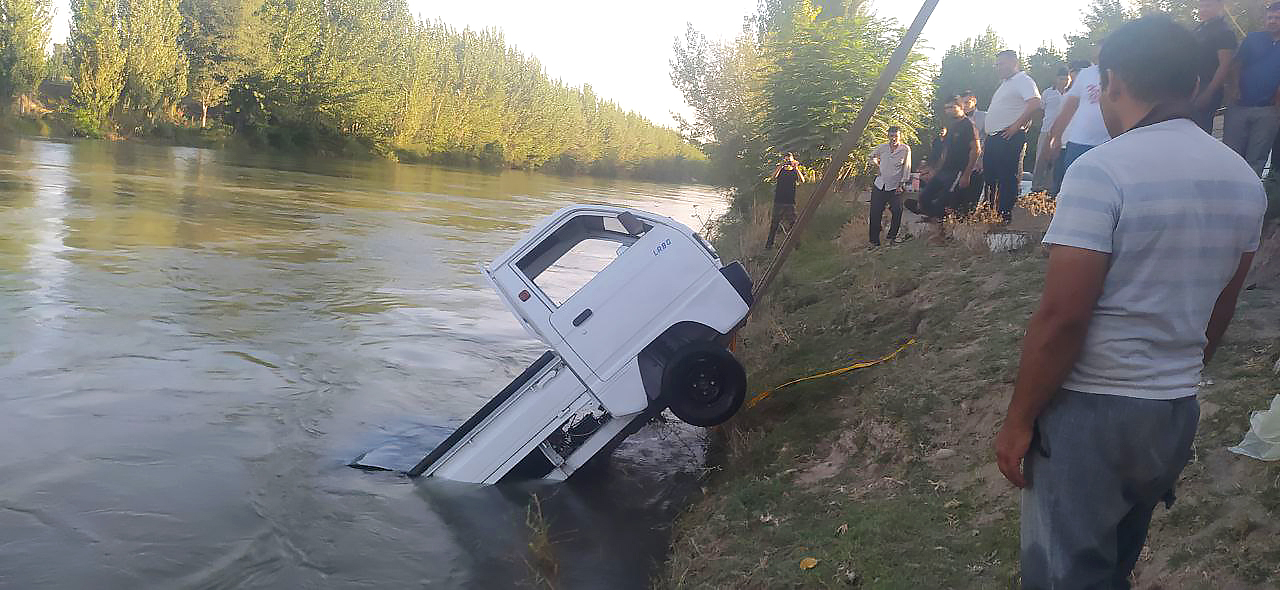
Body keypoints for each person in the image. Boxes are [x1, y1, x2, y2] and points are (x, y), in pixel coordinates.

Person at [994, 15, 1266, 588]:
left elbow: (1063, 318)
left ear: (1112, 80)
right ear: (1194, 85)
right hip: (1172, 413)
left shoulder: (1101, 171)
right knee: (1115, 564)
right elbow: (1222, 306)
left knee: (1065, 575)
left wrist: (1018, 421)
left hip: (1094, 412)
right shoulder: (1243, 179)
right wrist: (1174, 377)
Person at [983, 50, 1043, 222]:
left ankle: (1004, 215)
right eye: (997, 64)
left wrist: (1017, 126)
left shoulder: (1023, 80)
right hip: (995, 136)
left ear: (1013, 62)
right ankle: (990, 213)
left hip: (1008, 136)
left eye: (1001, 64)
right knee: (990, 177)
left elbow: (1035, 103)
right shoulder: (1005, 84)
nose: (998, 68)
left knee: (1006, 176)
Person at [1223, 2, 1280, 176]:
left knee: (1257, 158)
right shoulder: (1253, 39)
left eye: (1277, 18)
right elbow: (1236, 64)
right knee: (1231, 154)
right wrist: (1234, 87)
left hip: (1269, 110)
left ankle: (1251, 198)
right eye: (1270, 17)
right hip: (1240, 105)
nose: (1273, 21)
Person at [1045, 49, 1111, 197]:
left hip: (1109, 143)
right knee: (1073, 186)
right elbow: (1070, 105)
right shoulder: (1087, 74)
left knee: (1103, 190)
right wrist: (1056, 137)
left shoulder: (1125, 73)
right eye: (1097, 52)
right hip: (1079, 141)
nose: (1098, 56)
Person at [905, 97, 980, 219]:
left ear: (961, 107)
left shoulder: (968, 125)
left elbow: (976, 149)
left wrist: (967, 174)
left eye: (951, 107)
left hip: (958, 171)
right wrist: (935, 170)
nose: (948, 110)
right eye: (946, 108)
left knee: (943, 201)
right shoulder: (951, 125)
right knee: (924, 197)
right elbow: (945, 151)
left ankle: (941, 222)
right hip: (944, 170)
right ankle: (933, 216)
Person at [1193, 0, 1239, 132]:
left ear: (1220, 7)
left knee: (1200, 131)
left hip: (1207, 89)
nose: (1203, 9)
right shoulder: (1200, 28)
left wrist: (1208, 93)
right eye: (1201, 6)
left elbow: (1224, 65)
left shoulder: (1224, 32)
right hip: (1193, 87)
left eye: (1208, 6)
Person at [868, 126, 911, 248]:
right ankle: (874, 241)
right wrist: (877, 166)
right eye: (891, 136)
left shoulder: (905, 149)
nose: (893, 139)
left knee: (897, 211)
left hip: (895, 186)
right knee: (875, 212)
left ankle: (891, 237)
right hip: (880, 184)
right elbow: (871, 157)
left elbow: (907, 168)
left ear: (900, 136)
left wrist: (902, 184)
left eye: (896, 136)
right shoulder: (882, 147)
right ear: (888, 136)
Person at [1032, 68, 1072, 193]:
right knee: (1040, 158)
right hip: (1047, 130)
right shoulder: (1047, 93)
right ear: (1056, 79)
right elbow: (1040, 110)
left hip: (1065, 132)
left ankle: (1050, 188)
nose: (1064, 81)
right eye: (1061, 79)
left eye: (1066, 79)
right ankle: (1036, 187)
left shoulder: (1072, 93)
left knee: (1057, 160)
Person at [765, 152, 806, 249]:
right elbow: (773, 177)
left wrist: (796, 168)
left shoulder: (794, 172)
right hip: (779, 201)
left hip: (790, 202)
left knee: (793, 224)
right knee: (774, 224)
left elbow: (802, 180)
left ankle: (797, 245)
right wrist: (780, 166)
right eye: (786, 160)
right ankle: (769, 246)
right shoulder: (781, 171)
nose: (787, 163)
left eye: (789, 160)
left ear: (793, 160)